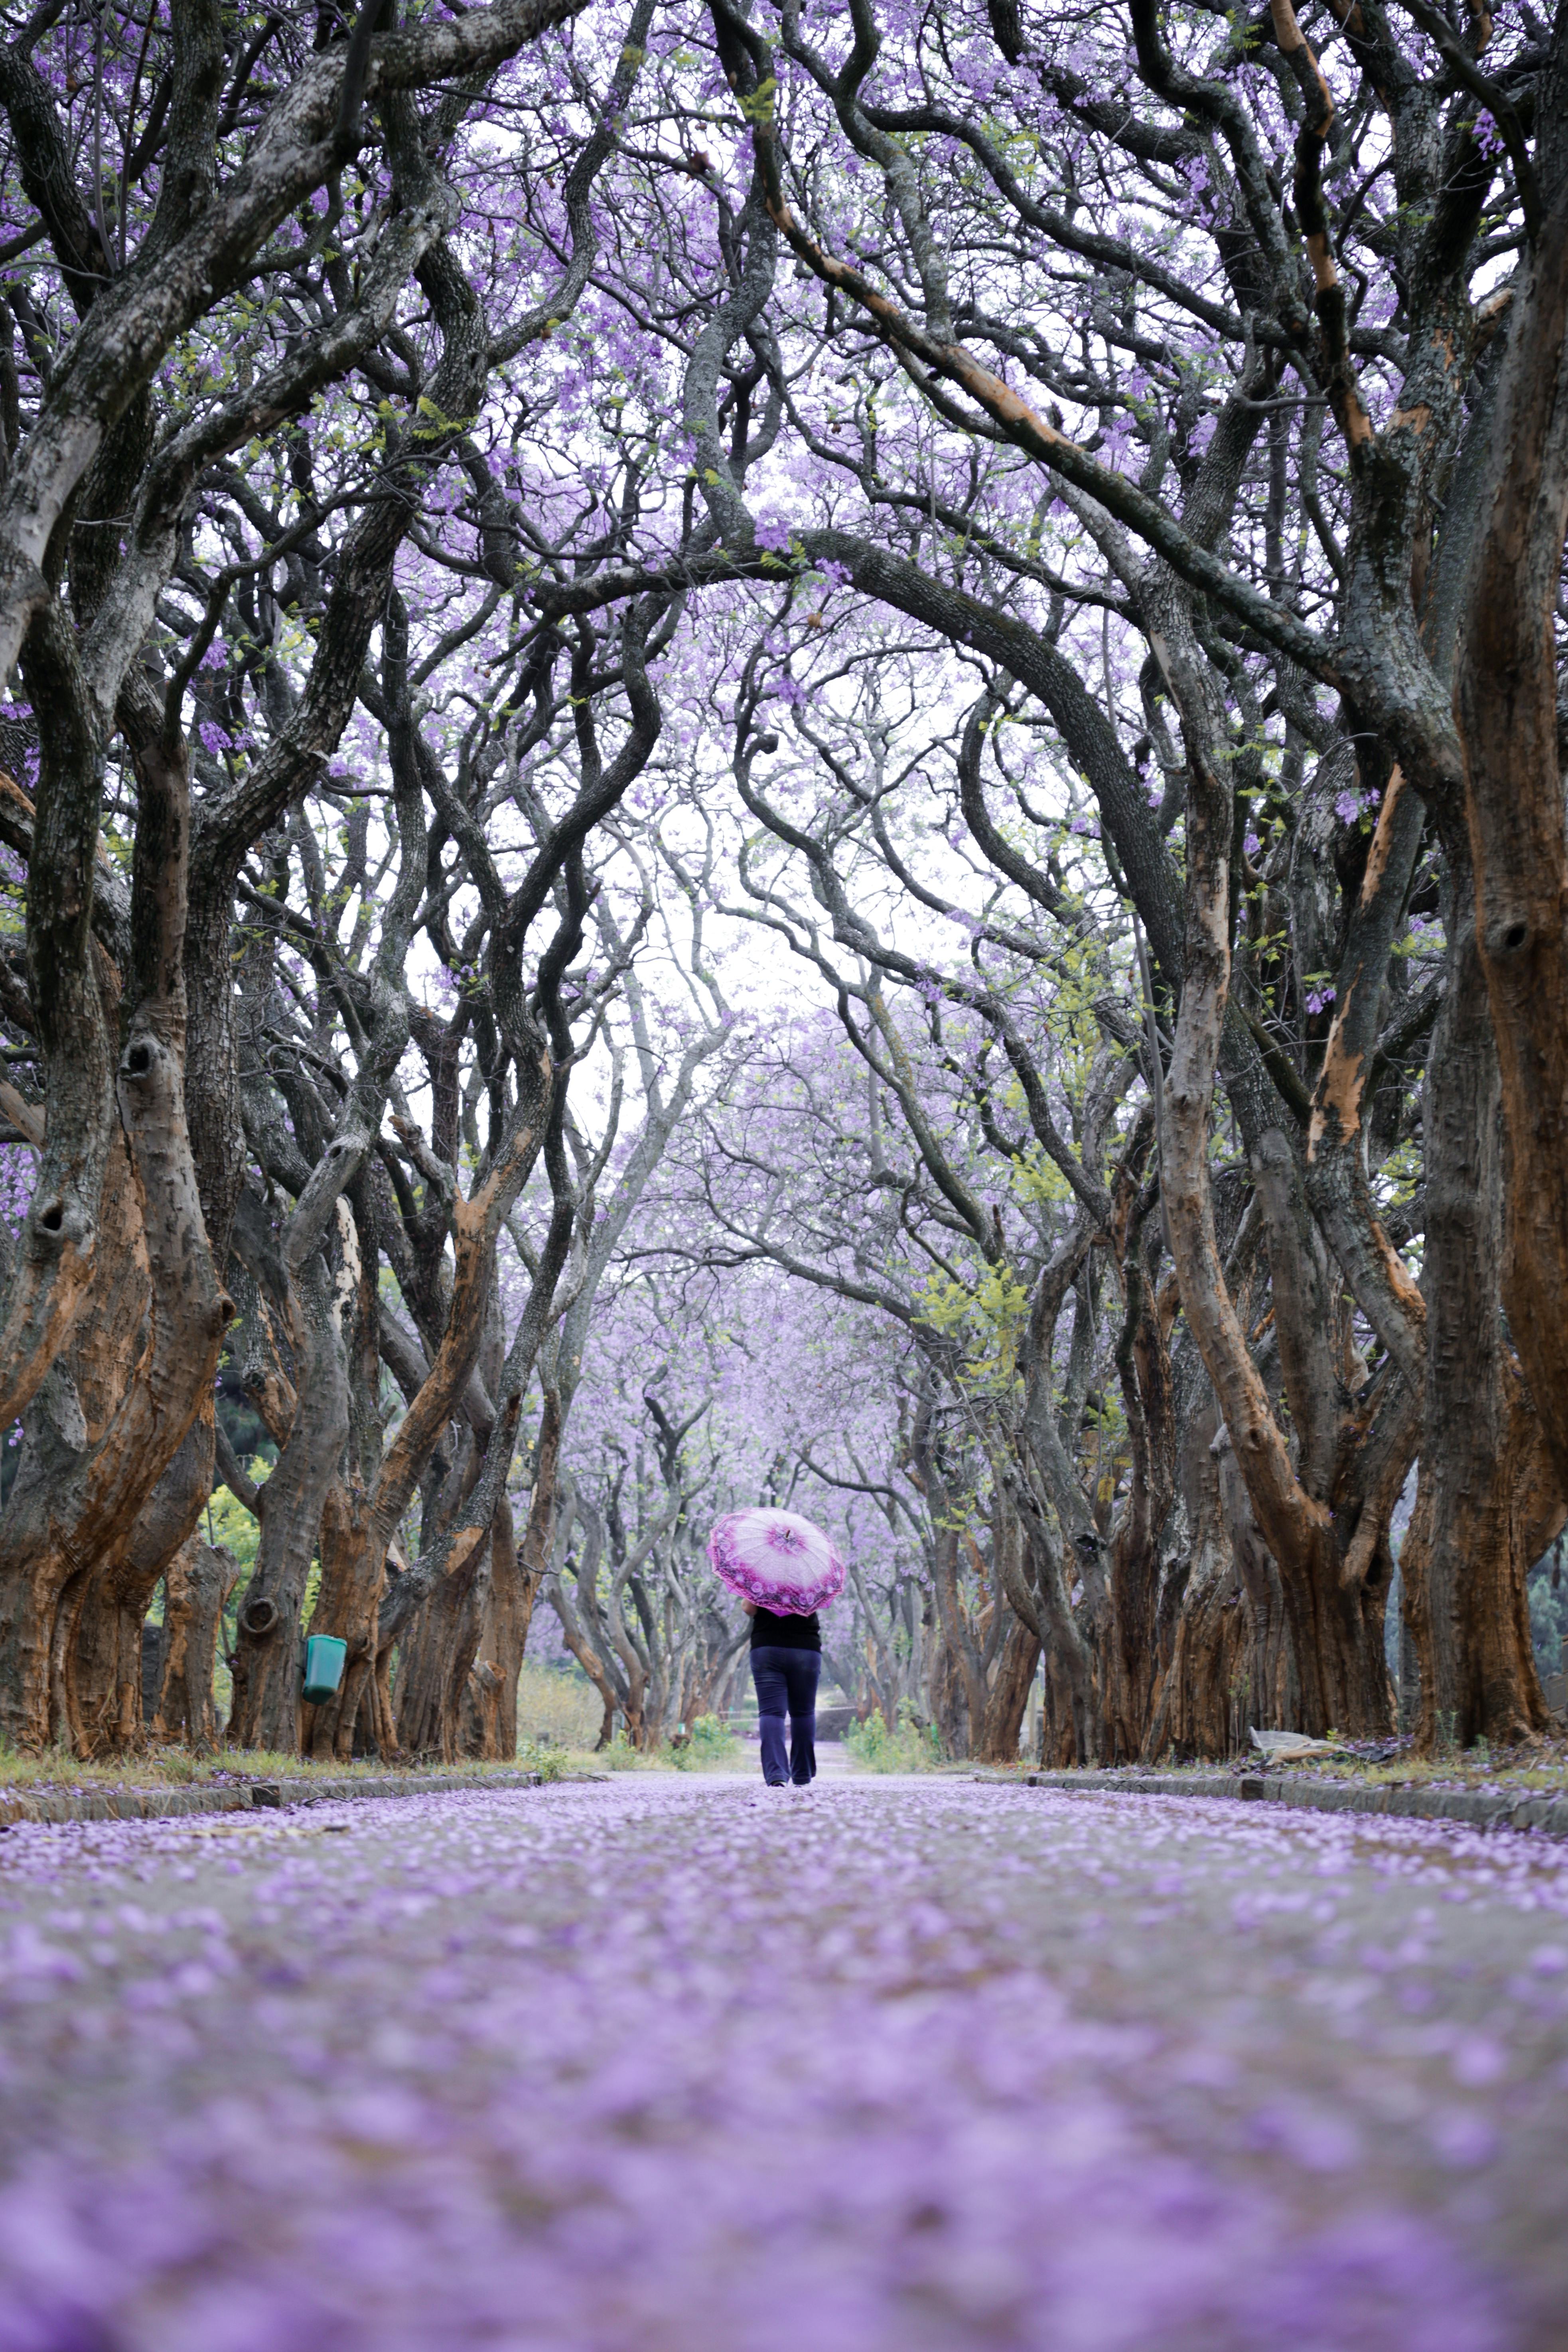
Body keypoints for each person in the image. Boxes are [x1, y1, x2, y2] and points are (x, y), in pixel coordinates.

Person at [744, 1595, 820, 1786]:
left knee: (772, 1713)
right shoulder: (812, 1574)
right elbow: (820, 1602)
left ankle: (777, 1774)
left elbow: (748, 1608)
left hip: (767, 1647)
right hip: (806, 1648)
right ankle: (802, 1774)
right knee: (803, 1713)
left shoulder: (761, 1573)